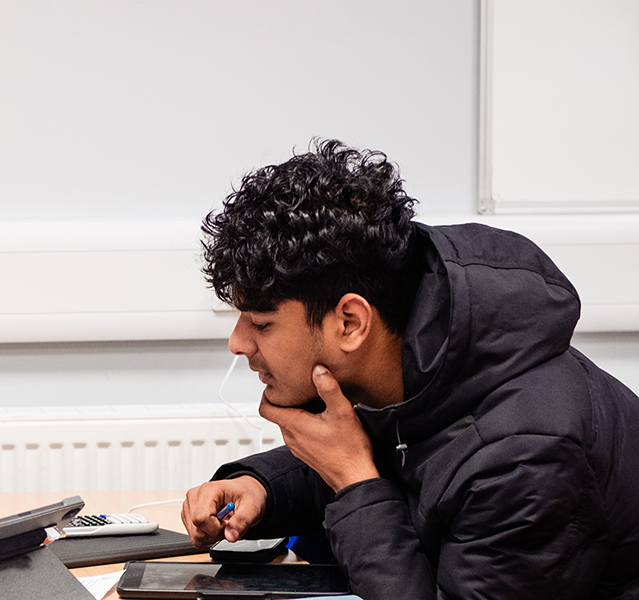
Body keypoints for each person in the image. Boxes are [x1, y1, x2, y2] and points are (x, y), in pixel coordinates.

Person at [180, 139, 639, 599]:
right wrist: (262, 489)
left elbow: (374, 467)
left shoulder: (527, 458)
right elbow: (392, 453)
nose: (238, 343)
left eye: (261, 322)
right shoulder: (410, 347)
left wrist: (353, 480)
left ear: (350, 322)